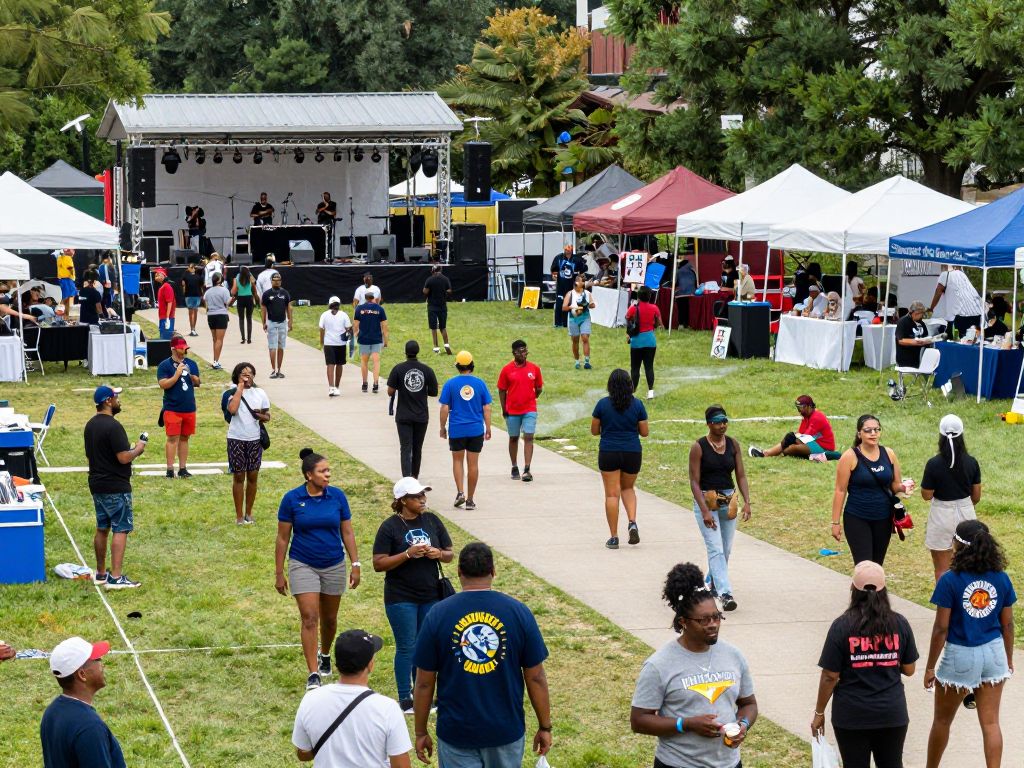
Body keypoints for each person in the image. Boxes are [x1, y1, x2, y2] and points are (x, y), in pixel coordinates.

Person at [412, 542, 552, 767]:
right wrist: (544, 726)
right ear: (493, 571)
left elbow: (424, 683)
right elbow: (535, 676)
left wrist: (421, 731)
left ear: (459, 572)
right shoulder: (518, 612)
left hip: (456, 733)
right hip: (505, 731)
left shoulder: (438, 614)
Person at [631, 562, 757, 768]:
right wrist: (686, 724)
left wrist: (742, 725)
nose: (713, 624)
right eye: (704, 620)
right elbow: (639, 720)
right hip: (677, 764)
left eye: (716, 617)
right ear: (683, 622)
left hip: (729, 764)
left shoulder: (733, 655)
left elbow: (749, 704)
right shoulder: (659, 665)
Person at [924, 520, 1015, 768]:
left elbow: (941, 628)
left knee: (942, 721)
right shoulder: (1001, 578)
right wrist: (1008, 660)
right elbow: (1007, 625)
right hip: (994, 652)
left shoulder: (949, 581)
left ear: (959, 546)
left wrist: (931, 666)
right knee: (991, 723)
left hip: (961, 654)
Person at [812, 561, 918, 768]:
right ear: (884, 590)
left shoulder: (841, 626)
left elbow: (829, 676)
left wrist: (819, 712)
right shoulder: (899, 623)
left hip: (852, 715)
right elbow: (909, 669)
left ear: (853, 589)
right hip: (891, 713)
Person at [276, 448, 362, 691]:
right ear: (308, 475)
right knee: (310, 617)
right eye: (323, 471)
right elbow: (283, 538)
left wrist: (355, 564)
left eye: (329, 470)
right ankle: (313, 673)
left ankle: (325, 654)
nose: (328, 475)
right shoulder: (292, 499)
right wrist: (279, 572)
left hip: (334, 563)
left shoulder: (337, 497)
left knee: (330, 619)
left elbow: (347, 531)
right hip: (302, 563)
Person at [373, 478, 453, 714]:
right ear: (402, 501)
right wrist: (406, 555)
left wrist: (437, 553)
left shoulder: (432, 521)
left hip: (430, 594)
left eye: (423, 495)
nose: (422, 500)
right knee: (407, 646)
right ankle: (405, 698)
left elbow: (449, 554)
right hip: (401, 597)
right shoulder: (390, 527)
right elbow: (378, 563)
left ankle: (424, 694)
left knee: (426, 645)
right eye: (416, 497)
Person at [291, 629, 412, 768]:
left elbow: (302, 753)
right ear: (370, 664)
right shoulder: (388, 708)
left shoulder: (311, 699)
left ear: (337, 664)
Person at [688, 406, 752, 612]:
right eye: (717, 421)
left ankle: (711, 581)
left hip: (728, 500)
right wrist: (705, 511)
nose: (722, 425)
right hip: (706, 500)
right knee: (715, 548)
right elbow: (694, 482)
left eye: (725, 420)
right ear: (708, 423)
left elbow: (740, 475)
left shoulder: (733, 444)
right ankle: (725, 594)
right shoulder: (698, 447)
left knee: (725, 549)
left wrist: (747, 501)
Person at [85, 385, 146, 590]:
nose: (119, 400)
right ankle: (116, 578)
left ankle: (101, 573)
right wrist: (138, 448)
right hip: (115, 485)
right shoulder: (113, 426)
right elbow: (123, 457)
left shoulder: (90, 425)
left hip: (97, 483)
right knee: (121, 528)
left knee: (102, 528)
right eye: (116, 397)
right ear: (108, 401)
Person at [830, 414, 908, 566]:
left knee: (877, 564)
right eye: (868, 430)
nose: (873, 433)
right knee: (864, 565)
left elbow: (895, 485)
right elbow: (840, 490)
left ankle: (875, 591)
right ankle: (863, 590)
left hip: (883, 518)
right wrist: (835, 523)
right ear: (859, 433)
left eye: (876, 430)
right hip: (857, 517)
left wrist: (904, 487)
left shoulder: (889, 454)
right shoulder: (850, 456)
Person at [40, 636, 125, 768]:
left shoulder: (52, 711)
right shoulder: (90, 727)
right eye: (97, 659)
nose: (102, 664)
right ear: (82, 675)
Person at [592, 368, 649, 549]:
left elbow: (594, 431)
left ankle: (614, 537)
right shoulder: (638, 405)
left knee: (611, 494)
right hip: (632, 451)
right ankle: (632, 522)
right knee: (628, 488)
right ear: (630, 385)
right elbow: (645, 432)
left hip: (609, 451)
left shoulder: (602, 404)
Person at [921, 414, 982, 582]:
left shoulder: (934, 463)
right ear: (961, 434)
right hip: (966, 512)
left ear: (941, 435)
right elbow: (976, 496)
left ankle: (945, 606)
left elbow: (926, 495)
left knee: (942, 569)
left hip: (941, 513)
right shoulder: (971, 462)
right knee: (969, 565)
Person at [438, 351, 492, 510]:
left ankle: (460, 492)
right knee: (473, 464)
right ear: (471, 365)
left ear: (457, 366)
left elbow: (444, 407)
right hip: (475, 429)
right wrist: (487, 427)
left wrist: (442, 427)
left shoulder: (450, 384)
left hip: (457, 429)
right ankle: (470, 500)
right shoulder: (480, 383)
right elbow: (487, 408)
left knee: (457, 461)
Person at [222, 362, 270, 526]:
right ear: (237, 376)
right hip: (236, 438)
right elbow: (233, 410)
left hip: (254, 439)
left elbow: (267, 415)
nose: (247, 375)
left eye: (250, 373)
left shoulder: (260, 393)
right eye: (243, 373)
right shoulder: (231, 393)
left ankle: (249, 513)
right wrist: (240, 388)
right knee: (239, 476)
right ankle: (239, 516)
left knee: (253, 476)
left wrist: (261, 416)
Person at [387, 341, 438, 479]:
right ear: (418, 351)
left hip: (403, 415)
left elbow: (390, 392)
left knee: (405, 448)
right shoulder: (427, 370)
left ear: (405, 352)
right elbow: (434, 392)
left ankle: (406, 479)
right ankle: (415, 477)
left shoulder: (398, 369)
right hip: (421, 416)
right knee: (417, 449)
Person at [497, 339, 543, 482]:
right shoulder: (506, 370)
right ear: (514, 353)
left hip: (529, 409)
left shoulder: (534, 368)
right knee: (513, 438)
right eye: (521, 351)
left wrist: (531, 397)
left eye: (525, 350)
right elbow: (502, 390)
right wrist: (504, 408)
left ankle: (527, 469)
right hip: (513, 410)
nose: (524, 353)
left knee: (529, 437)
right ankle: (514, 466)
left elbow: (539, 388)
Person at [156, 336, 201, 479]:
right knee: (172, 438)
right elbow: (163, 384)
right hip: (172, 408)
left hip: (189, 408)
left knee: (185, 438)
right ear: (173, 349)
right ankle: (170, 469)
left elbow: (198, 382)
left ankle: (183, 468)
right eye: (182, 348)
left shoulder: (191, 363)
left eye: (185, 347)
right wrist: (176, 375)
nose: (185, 350)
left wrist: (194, 378)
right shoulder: (164, 365)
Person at [748, 394, 836, 460]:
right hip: (814, 444)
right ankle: (766, 453)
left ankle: (765, 454)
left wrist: (792, 438)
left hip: (824, 448)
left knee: (789, 448)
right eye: (798, 408)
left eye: (802, 407)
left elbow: (804, 438)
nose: (800, 411)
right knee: (788, 446)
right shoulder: (806, 417)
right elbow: (801, 434)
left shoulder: (817, 417)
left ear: (809, 406)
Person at [626, 286, 663, 399]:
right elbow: (659, 324)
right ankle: (650, 392)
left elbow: (628, 319)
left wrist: (628, 334)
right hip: (650, 341)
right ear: (649, 296)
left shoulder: (633, 308)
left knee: (635, 368)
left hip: (636, 341)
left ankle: (633, 391)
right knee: (649, 367)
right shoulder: (654, 308)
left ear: (638, 297)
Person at [929, 265, 983, 338]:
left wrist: (931, 308)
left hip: (960, 316)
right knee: (973, 340)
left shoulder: (945, 275)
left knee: (956, 341)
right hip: (977, 313)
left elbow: (938, 292)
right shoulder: (962, 274)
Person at [353, 290, 389, 394]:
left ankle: (364, 384)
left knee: (364, 361)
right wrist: (385, 340)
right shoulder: (380, 309)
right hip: (376, 339)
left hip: (363, 339)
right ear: (373, 298)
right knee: (376, 361)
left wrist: (356, 335)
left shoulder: (359, 309)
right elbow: (385, 326)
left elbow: (355, 325)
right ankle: (376, 384)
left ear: (365, 299)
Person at [260, 271, 292, 379]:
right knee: (272, 346)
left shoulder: (285, 293)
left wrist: (290, 321)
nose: (277, 282)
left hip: (282, 322)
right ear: (271, 281)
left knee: (281, 346)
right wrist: (264, 322)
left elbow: (288, 307)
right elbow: (263, 308)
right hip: (271, 322)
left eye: (279, 280)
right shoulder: (267, 294)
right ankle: (273, 370)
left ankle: (279, 370)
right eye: (275, 280)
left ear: (281, 281)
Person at [319, 296, 352, 397]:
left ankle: (335, 387)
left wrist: (322, 342)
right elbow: (322, 329)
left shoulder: (341, 315)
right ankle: (332, 387)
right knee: (332, 364)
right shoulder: (327, 315)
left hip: (337, 343)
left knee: (337, 364)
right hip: (330, 343)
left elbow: (348, 329)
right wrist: (322, 342)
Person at [562, 273, 596, 370]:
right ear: (576, 283)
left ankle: (586, 361)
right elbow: (564, 307)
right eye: (582, 281)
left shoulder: (587, 293)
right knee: (575, 340)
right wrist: (574, 307)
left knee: (585, 338)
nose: (583, 282)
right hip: (573, 319)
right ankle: (577, 361)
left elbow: (593, 305)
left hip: (585, 317)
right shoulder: (570, 294)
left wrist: (586, 305)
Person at [550, 244, 586, 328]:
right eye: (566, 250)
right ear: (564, 250)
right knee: (559, 304)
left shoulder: (577, 259)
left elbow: (582, 271)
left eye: (569, 250)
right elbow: (553, 270)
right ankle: (558, 323)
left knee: (572, 304)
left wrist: (580, 277)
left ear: (572, 250)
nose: (567, 252)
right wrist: (554, 276)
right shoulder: (558, 258)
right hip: (561, 286)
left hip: (572, 286)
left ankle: (570, 323)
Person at [203, 272, 232, 370]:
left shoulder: (208, 291)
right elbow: (227, 302)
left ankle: (215, 360)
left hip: (211, 315)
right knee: (219, 340)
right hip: (221, 315)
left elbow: (205, 301)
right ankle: (216, 361)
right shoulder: (224, 290)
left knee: (215, 339)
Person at [422, 265, 452, 354]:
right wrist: (443, 292)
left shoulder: (430, 280)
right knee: (443, 327)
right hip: (442, 306)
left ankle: (436, 348)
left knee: (434, 327)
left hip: (432, 307)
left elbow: (425, 291)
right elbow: (450, 290)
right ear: (441, 270)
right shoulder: (445, 279)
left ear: (433, 271)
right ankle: (446, 344)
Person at [895, 301, 932, 367]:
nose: (922, 315)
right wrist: (918, 342)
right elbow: (901, 340)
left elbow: (925, 336)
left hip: (920, 355)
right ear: (915, 313)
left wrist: (929, 340)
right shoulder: (903, 322)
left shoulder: (921, 323)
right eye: (922, 313)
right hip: (907, 358)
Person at [180, 261, 206, 337]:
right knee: (193, 312)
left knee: (192, 312)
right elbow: (202, 285)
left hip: (191, 295)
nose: (192, 269)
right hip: (194, 295)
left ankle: (193, 329)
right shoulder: (196, 276)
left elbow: (182, 283)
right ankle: (193, 329)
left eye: (191, 267)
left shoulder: (188, 276)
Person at [231, 265, 256, 344]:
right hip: (249, 298)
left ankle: (243, 338)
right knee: (249, 319)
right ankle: (249, 339)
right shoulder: (250, 276)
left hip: (241, 298)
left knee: (241, 319)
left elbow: (233, 292)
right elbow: (254, 285)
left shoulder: (237, 277)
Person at [154, 267, 176, 340]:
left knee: (166, 339)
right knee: (163, 338)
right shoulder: (162, 287)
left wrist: (167, 318)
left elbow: (170, 302)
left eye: (158, 274)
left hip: (167, 317)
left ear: (164, 275)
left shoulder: (166, 286)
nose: (156, 276)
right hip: (163, 316)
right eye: (155, 275)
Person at [56, 248, 77, 318]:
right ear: (67, 250)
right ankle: (63, 314)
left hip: (62, 280)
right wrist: (73, 277)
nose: (74, 252)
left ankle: (65, 315)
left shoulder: (59, 258)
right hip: (68, 280)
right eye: (73, 250)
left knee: (66, 298)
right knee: (69, 297)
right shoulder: (68, 258)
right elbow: (70, 268)